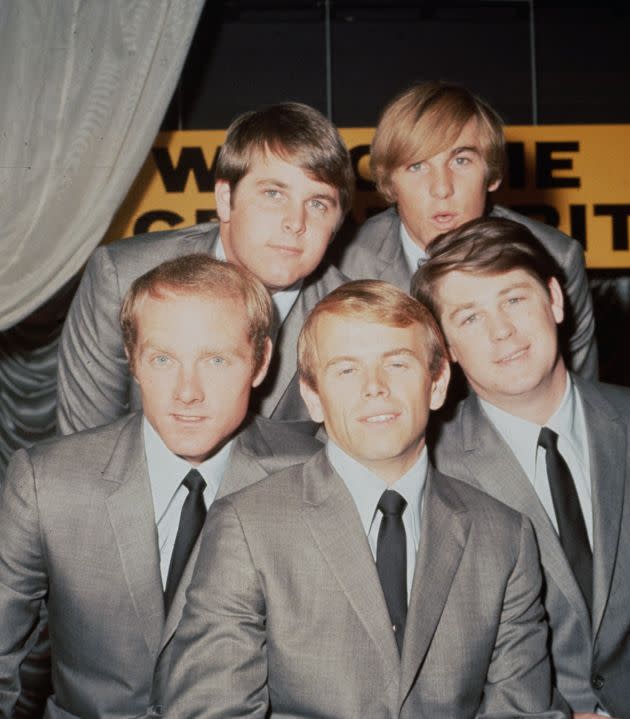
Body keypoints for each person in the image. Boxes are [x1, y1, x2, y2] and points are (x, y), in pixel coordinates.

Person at [163, 280, 569, 719]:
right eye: (346, 370)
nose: (375, 387)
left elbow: (524, 711)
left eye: (397, 364)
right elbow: (211, 710)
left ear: (437, 384)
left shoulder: (505, 537)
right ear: (313, 397)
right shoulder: (247, 525)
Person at [411, 217, 630, 719]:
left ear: (555, 299)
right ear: (448, 349)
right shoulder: (426, 465)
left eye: (514, 299)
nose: (502, 331)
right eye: (470, 317)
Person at [0, 255, 322, 718]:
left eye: (215, 359)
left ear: (260, 361)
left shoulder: (311, 480)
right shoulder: (46, 481)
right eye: (163, 358)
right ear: (132, 359)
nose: (186, 391)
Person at [57, 102, 355, 434]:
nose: (295, 223)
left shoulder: (350, 318)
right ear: (225, 198)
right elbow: (82, 450)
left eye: (317, 204)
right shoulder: (121, 276)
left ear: (336, 224)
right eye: (273, 194)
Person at [337, 80, 597, 378]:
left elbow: (578, 399)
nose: (442, 188)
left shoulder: (555, 257)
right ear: (388, 184)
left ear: (492, 174)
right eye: (417, 166)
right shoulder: (345, 267)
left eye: (461, 160)